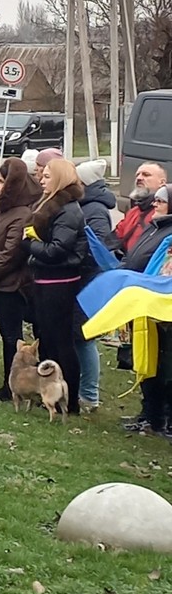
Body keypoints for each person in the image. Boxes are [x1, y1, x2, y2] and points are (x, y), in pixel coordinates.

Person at [0, 157, 42, 401]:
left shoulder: (22, 214)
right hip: (0, 283)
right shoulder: (4, 212)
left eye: (2, 182)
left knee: (12, 337)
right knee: (7, 336)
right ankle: (11, 383)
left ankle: (13, 385)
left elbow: (11, 253)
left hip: (13, 285)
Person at [26, 158, 88, 415]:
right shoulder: (51, 205)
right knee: (48, 340)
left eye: (48, 176)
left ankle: (70, 400)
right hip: (45, 280)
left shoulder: (69, 211)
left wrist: (29, 244)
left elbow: (56, 250)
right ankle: (50, 394)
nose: (42, 179)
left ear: (61, 179)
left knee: (62, 342)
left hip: (60, 283)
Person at [118, 186, 172, 437]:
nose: (156, 204)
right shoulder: (156, 226)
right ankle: (148, 415)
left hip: (164, 310)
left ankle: (164, 419)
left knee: (166, 367)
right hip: (147, 305)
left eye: (162, 200)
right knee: (148, 362)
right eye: (156, 200)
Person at [74, 159, 119, 411]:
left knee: (85, 336)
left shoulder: (95, 211)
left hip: (88, 279)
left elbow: (100, 246)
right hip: (81, 278)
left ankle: (89, 395)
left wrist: (78, 259)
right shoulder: (86, 206)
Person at [115, 162, 167, 254]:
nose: (139, 178)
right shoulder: (134, 211)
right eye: (137, 175)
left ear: (162, 183)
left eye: (146, 175)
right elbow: (116, 237)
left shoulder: (164, 212)